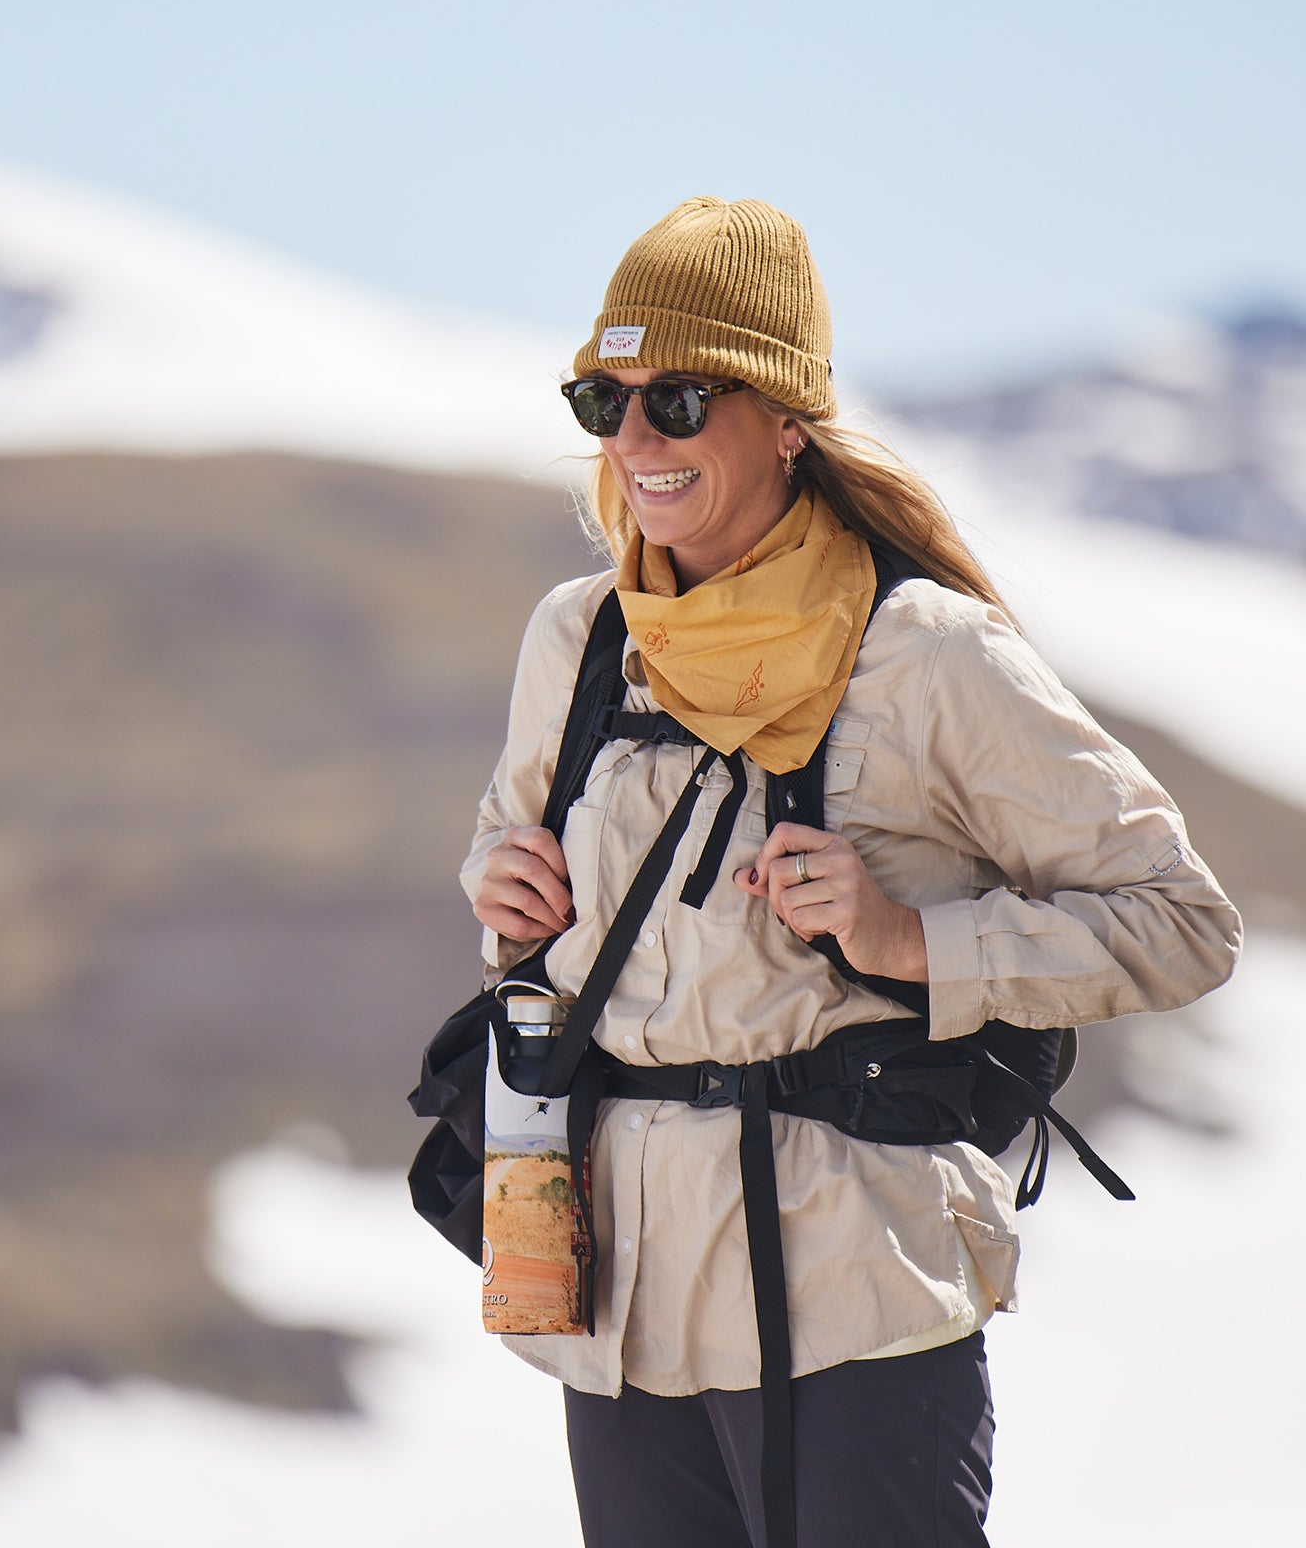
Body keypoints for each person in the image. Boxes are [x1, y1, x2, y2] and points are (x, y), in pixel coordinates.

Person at [462, 196, 1241, 1548]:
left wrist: (909, 943)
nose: (636, 441)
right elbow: (518, 864)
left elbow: (1181, 926)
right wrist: (502, 897)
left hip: (854, 1292)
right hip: (618, 1300)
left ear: (784, 420)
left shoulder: (929, 651)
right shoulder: (580, 636)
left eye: (681, 400)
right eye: (606, 399)